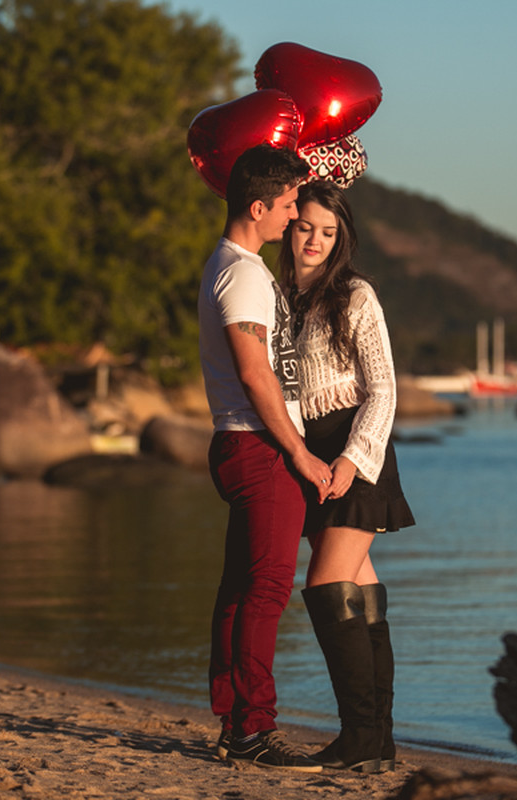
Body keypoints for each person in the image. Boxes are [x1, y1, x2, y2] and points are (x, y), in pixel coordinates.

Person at [198, 143, 334, 772]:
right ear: (257, 207)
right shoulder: (244, 273)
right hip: (259, 444)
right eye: (285, 207)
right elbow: (256, 375)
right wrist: (301, 455)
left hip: (245, 441)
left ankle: (233, 721)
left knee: (240, 587)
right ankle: (254, 728)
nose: (291, 218)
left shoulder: (235, 265)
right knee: (268, 590)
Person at [278, 179, 416, 774]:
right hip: (312, 452)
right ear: (289, 226)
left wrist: (353, 458)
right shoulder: (283, 297)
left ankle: (359, 733)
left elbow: (384, 388)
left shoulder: (355, 294)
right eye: (306, 226)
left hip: (355, 449)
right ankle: (378, 737)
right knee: (358, 587)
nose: (315, 240)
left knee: (325, 582)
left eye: (328, 232)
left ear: (342, 239)